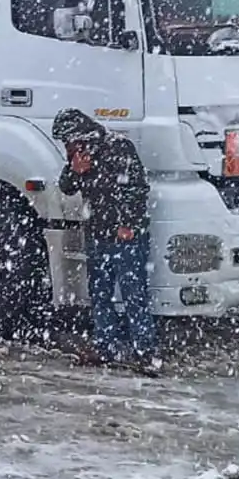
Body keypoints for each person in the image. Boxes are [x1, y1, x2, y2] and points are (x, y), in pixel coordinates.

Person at [52, 108, 159, 369]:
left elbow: (136, 188)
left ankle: (144, 351)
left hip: (124, 235)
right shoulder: (80, 154)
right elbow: (66, 187)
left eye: (69, 141)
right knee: (100, 293)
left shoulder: (118, 147)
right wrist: (75, 169)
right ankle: (105, 346)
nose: (68, 147)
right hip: (98, 232)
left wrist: (127, 223)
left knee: (134, 294)